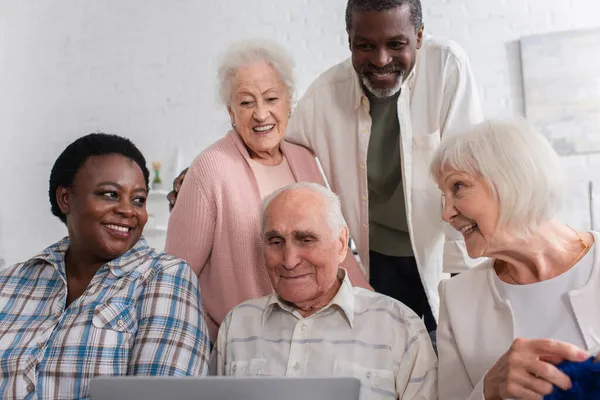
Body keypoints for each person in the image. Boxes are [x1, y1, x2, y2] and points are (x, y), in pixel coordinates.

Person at [285, 0, 483, 332]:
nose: (380, 60)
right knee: (394, 362)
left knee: (455, 360)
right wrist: (206, 171)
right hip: (378, 261)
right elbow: (274, 147)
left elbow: (472, 171)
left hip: (446, 251)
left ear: (418, 37)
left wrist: (468, 269)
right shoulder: (323, 96)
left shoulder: (447, 66)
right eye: (365, 45)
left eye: (396, 44)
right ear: (349, 41)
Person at [165, 39, 370, 342]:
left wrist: (375, 313)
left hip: (318, 337)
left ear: (289, 101)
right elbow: (175, 278)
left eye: (271, 99)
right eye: (246, 102)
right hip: (246, 343)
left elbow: (338, 255)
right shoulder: (210, 168)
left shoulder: (304, 158)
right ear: (231, 112)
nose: (261, 114)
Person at [0, 133, 210, 399]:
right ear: (65, 198)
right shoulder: (9, 284)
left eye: (138, 200)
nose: (128, 210)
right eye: (110, 194)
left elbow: (163, 393)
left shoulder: (165, 276)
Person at [213, 182, 437, 400]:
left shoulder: (401, 327)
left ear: (341, 243)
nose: (289, 261)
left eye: (306, 239)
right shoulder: (237, 325)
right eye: (275, 241)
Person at [432, 120, 599, 400]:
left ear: (509, 179)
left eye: (458, 187)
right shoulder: (457, 297)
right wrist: (488, 389)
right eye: (444, 197)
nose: (446, 213)